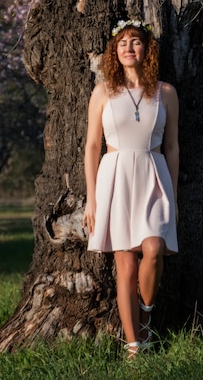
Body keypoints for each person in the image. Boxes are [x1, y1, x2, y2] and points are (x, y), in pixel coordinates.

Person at [82, 19, 179, 358]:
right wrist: (92, 201)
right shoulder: (104, 91)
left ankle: (147, 316)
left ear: (146, 48)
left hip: (153, 176)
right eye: (122, 42)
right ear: (114, 51)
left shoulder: (165, 92)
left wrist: (174, 197)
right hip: (115, 178)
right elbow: (92, 146)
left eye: (135, 41)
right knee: (125, 267)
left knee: (153, 248)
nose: (128, 47)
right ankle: (134, 345)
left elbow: (173, 147)